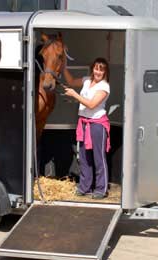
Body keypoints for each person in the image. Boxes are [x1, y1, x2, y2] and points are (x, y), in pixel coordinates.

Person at [63, 57, 110, 199]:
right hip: (84, 124)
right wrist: (63, 66)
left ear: (105, 72)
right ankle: (84, 187)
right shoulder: (86, 80)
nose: (98, 71)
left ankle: (101, 189)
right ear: (92, 68)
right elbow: (71, 81)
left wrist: (74, 94)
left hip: (97, 125)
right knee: (84, 158)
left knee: (98, 158)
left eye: (101, 69)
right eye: (96, 68)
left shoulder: (104, 87)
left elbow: (91, 104)